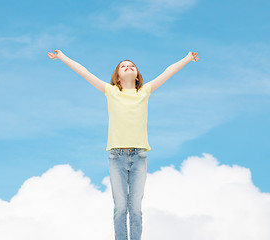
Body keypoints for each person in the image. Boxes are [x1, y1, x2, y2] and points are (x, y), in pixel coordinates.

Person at [47, 50, 199, 240]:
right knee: (120, 207)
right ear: (117, 78)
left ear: (137, 77)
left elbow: (168, 72)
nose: (128, 66)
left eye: (132, 65)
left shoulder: (144, 91)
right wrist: (61, 56)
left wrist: (187, 58)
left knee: (135, 208)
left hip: (139, 157)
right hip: (116, 157)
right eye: (123, 66)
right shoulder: (111, 92)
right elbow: (84, 72)